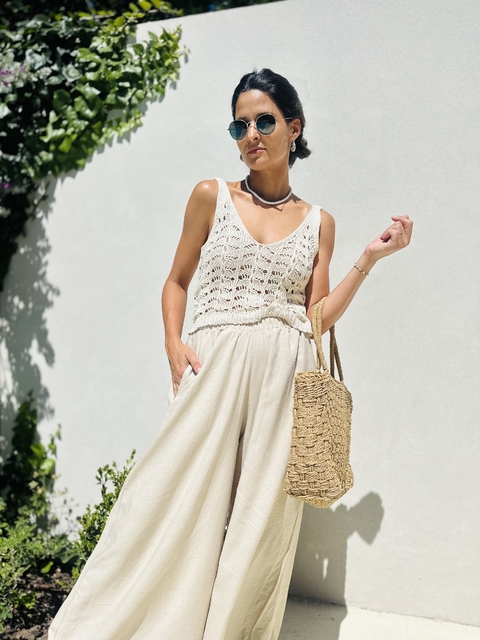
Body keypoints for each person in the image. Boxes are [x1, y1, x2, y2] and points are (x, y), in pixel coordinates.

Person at [48, 68, 412, 640]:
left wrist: (368, 259)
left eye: (264, 121)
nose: (251, 135)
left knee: (258, 522)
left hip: (285, 375)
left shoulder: (320, 222)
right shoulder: (210, 196)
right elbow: (176, 281)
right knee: (168, 500)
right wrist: (174, 344)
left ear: (294, 128)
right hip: (214, 367)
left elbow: (317, 317)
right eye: (239, 126)